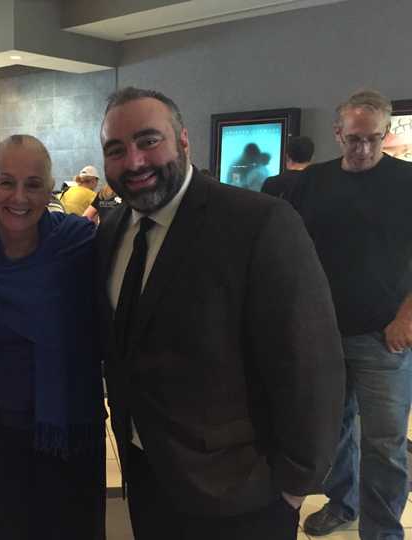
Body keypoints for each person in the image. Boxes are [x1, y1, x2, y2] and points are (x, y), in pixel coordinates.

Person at [95, 87, 345, 540]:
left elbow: (310, 362)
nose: (133, 162)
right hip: (147, 476)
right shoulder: (112, 231)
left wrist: (295, 482)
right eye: (116, 149)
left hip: (242, 493)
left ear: (183, 140)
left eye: (149, 141)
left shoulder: (259, 222)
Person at [0, 134, 105, 540]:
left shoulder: (80, 243)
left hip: (68, 430)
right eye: (7, 182)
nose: (19, 196)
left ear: (50, 190)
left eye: (33, 184)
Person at [294, 90, 412, 540]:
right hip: (323, 332)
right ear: (338, 133)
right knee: (333, 432)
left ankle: (382, 533)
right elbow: (296, 251)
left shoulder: (406, 181)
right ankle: (342, 504)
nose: (363, 149)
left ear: (386, 134)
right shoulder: (314, 182)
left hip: (385, 335)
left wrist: (407, 316)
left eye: (373, 139)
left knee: (384, 445)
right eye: (354, 139)